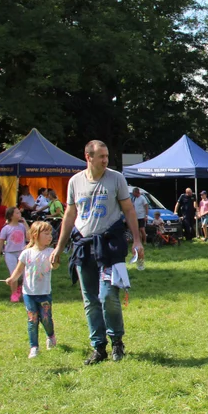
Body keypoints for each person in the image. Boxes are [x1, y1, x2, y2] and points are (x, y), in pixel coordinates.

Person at [52, 140, 144, 365]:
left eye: (107, 156)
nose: (106, 160)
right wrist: (59, 247)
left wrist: (137, 240)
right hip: (84, 246)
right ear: (88, 157)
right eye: (101, 156)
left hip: (110, 246)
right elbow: (70, 216)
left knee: (107, 296)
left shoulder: (116, 179)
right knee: (90, 300)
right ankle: (98, 347)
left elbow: (129, 210)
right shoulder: (75, 182)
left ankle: (117, 341)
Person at [5, 221, 57, 358]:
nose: (50, 236)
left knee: (46, 319)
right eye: (46, 233)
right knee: (32, 320)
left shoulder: (51, 252)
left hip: (44, 293)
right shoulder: (26, 253)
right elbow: (18, 270)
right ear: (35, 235)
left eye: (50, 233)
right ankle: (34, 347)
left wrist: (54, 261)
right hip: (29, 293)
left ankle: (50, 336)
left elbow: (55, 266)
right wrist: (12, 279)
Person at [0, 208, 29, 303]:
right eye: (17, 213)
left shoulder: (22, 226)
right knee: (14, 273)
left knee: (24, 274)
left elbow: (29, 236)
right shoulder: (6, 229)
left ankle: (22, 291)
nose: (20, 214)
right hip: (10, 253)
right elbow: (0, 243)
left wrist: (25, 223)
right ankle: (14, 294)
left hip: (21, 253)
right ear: (11, 216)